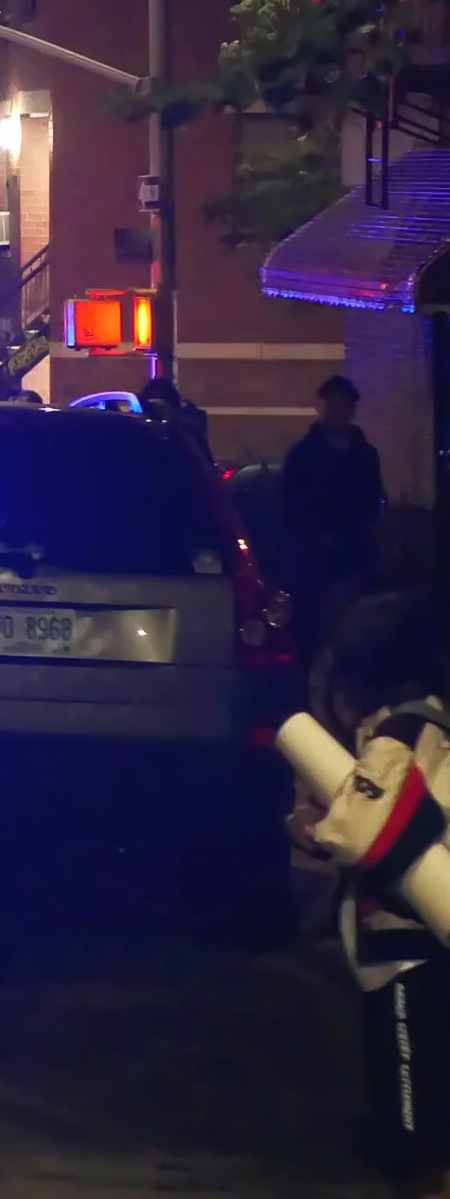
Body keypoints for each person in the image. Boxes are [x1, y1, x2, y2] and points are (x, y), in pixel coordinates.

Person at [291, 596, 450, 1196]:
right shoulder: (433, 719)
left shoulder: (401, 730)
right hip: (424, 933)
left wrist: (311, 830)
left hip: (409, 940)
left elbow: (365, 834)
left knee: (414, 1105)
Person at [284, 374, 389, 646]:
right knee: (313, 625)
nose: (336, 412)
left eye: (342, 405)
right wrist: (313, 535)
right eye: (331, 405)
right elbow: (290, 505)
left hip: (356, 553)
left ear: (352, 410)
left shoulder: (365, 455)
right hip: (315, 557)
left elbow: (373, 497)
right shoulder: (303, 455)